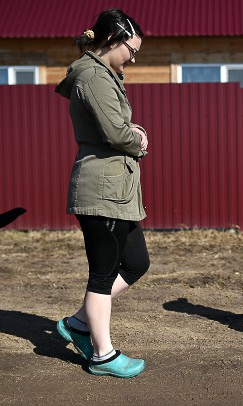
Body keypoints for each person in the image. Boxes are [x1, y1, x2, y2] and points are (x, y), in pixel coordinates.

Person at [54, 9, 150, 378]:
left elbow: (115, 124)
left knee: (136, 263)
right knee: (102, 275)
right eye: (131, 49)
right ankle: (102, 355)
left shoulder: (104, 75)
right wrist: (137, 142)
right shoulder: (93, 76)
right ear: (112, 40)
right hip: (102, 189)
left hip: (117, 189)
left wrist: (133, 130)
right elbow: (114, 134)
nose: (134, 57)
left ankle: (79, 324)